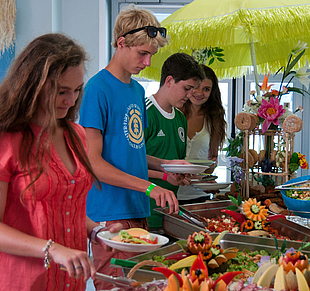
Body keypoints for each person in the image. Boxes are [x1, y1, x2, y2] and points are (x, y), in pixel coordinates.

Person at [0, 33, 121, 291]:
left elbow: (63, 208)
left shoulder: (77, 136)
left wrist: (96, 231)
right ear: (34, 86)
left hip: (68, 282)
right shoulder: (4, 141)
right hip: (19, 282)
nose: (71, 101)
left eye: (76, 90)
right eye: (62, 91)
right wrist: (53, 249)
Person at [78, 5, 185, 290]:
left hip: (138, 209)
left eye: (151, 54)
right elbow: (93, 162)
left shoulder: (137, 90)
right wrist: (149, 188)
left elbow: (131, 151)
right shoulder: (97, 89)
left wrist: (165, 171)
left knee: (140, 286)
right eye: (142, 53)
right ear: (121, 43)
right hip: (110, 214)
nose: (148, 62)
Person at [145, 53, 205, 230]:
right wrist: (165, 175)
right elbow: (130, 162)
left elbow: (174, 164)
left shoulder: (180, 118)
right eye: (187, 88)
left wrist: (183, 175)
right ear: (169, 81)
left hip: (170, 213)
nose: (190, 95)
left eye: (193, 89)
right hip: (144, 213)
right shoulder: (144, 112)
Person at [177, 65, 227, 204]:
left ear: (212, 92)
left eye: (206, 89)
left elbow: (212, 160)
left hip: (198, 195)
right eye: (196, 87)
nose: (200, 93)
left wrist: (207, 177)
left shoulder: (213, 119)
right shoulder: (173, 114)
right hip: (169, 192)